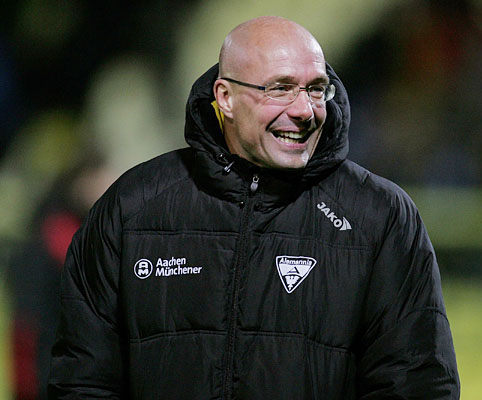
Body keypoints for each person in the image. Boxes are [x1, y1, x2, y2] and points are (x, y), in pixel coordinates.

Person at [48, 16, 460, 399]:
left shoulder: (380, 216)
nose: (304, 110)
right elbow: (82, 380)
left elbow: (416, 384)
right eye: (280, 88)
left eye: (316, 89)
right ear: (225, 98)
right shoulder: (132, 207)